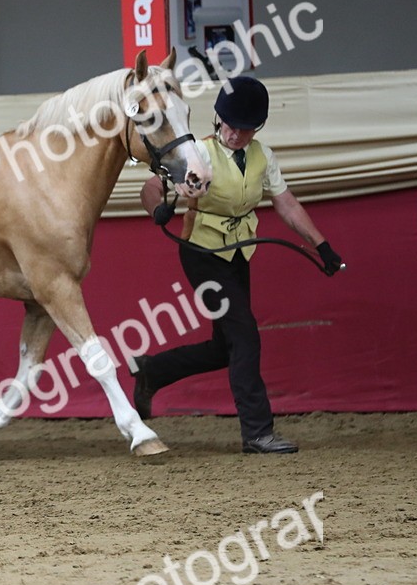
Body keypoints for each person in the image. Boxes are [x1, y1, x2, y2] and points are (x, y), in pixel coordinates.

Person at [133, 76, 343, 454]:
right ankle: (258, 433)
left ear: (257, 127)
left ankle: (153, 370)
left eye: (245, 129)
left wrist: (321, 245)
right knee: (245, 335)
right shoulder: (198, 152)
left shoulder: (263, 157)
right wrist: (158, 210)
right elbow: (150, 189)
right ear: (218, 118)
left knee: (225, 346)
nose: (235, 134)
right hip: (202, 254)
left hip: (238, 253)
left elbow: (286, 204)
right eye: (229, 125)